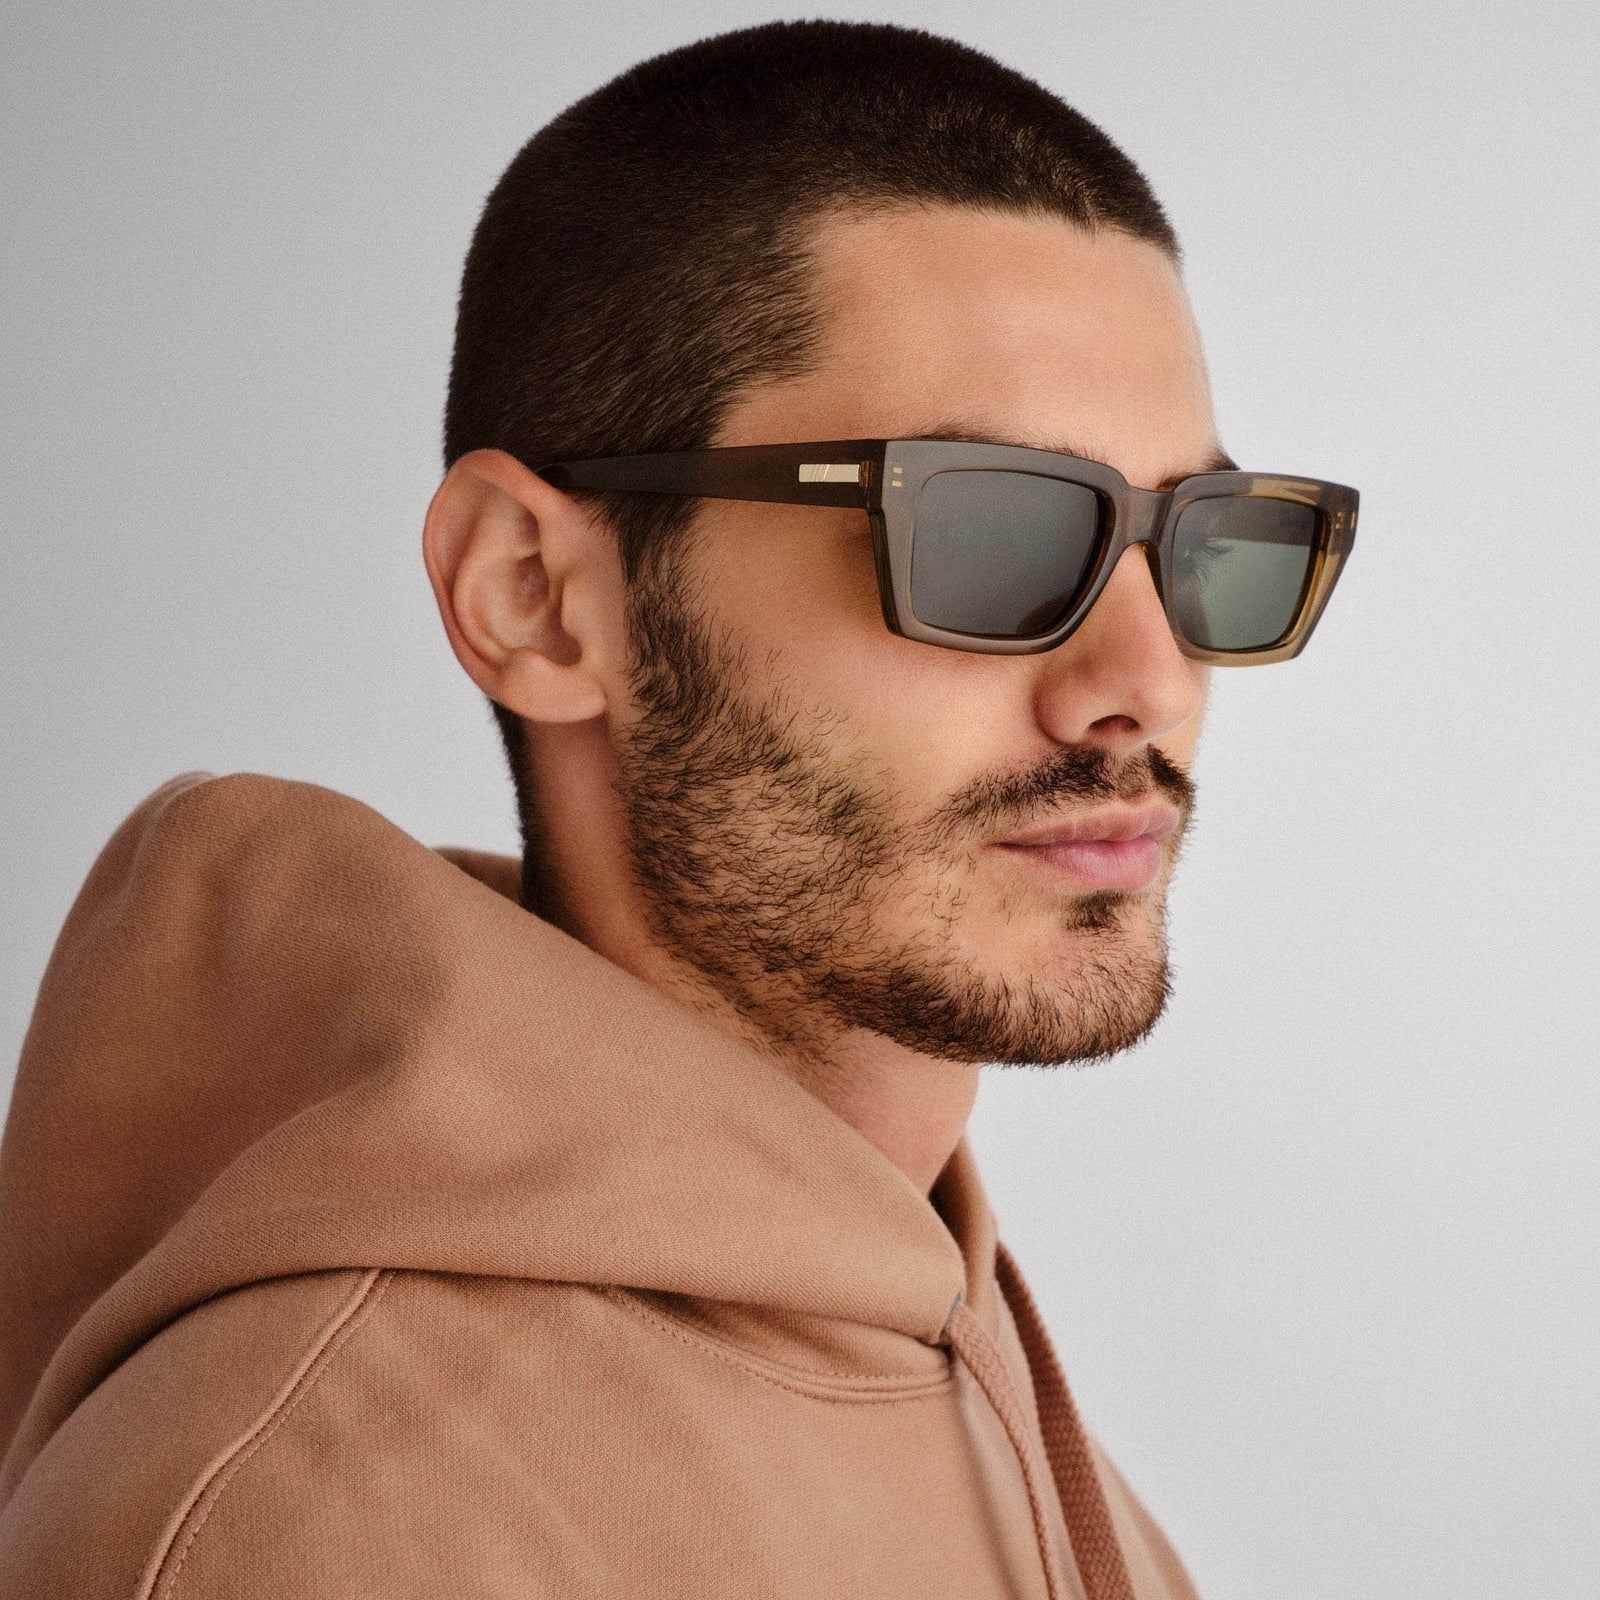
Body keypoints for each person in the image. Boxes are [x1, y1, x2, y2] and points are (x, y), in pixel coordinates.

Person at [0, 20, 1356, 1600]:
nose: (1152, 679)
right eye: (986, 533)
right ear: (534, 593)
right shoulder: (316, 1522)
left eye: (1200, 541)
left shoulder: (967, 1361)